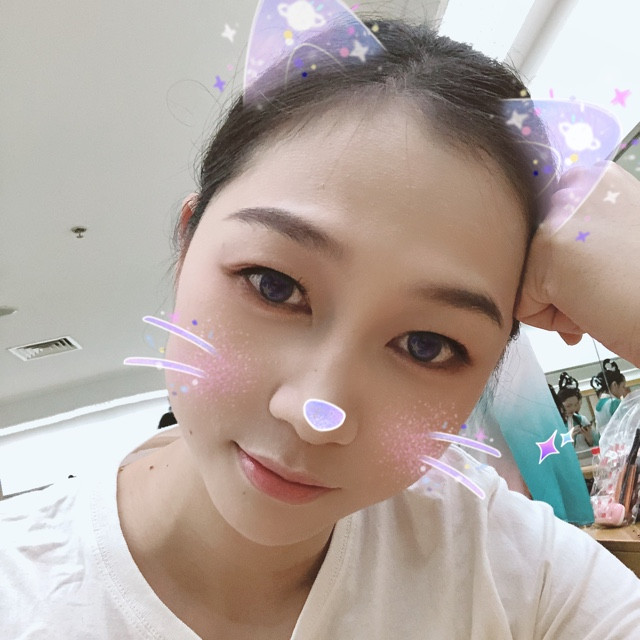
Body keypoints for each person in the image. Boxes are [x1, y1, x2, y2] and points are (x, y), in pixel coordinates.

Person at [3, 16, 640, 640]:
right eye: (274, 286)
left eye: (426, 347)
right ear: (187, 242)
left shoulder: (513, 575)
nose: (317, 414)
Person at [557, 371, 599, 466]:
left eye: (576, 404)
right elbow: (556, 453)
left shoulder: (581, 420)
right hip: (570, 465)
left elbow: (596, 444)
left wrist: (589, 438)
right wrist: (568, 439)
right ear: (560, 406)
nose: (573, 409)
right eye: (568, 406)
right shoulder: (556, 424)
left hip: (588, 462)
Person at [590, 359, 630, 433]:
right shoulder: (614, 402)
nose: (624, 390)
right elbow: (628, 424)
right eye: (623, 386)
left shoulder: (598, 406)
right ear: (615, 385)